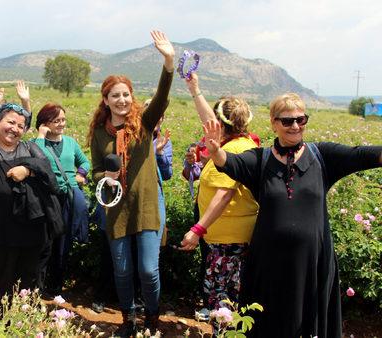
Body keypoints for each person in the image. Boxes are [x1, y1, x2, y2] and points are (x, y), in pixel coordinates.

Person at [202, 93, 382, 337]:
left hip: (313, 265)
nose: (295, 126)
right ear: (274, 123)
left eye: (301, 119)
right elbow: (229, 163)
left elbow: (364, 155)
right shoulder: (260, 160)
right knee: (269, 325)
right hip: (269, 267)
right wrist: (215, 150)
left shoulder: (322, 156)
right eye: (287, 121)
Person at [87, 30, 175, 335]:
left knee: (148, 270)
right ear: (106, 100)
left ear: (131, 97)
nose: (122, 99)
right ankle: (128, 320)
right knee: (122, 271)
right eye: (115, 95)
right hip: (116, 207)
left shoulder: (144, 124)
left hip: (147, 204)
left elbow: (162, 98)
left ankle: (152, 316)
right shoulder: (99, 133)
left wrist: (168, 61)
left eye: (126, 94)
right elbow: (96, 170)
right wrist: (105, 177)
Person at [0, 77, 62, 300]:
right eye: (10, 122)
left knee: (27, 288)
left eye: (20, 126)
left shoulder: (29, 150)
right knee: (3, 286)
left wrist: (28, 170)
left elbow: (50, 178)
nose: (15, 129)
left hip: (31, 233)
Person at [178, 94, 259, 317]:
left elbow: (224, 195)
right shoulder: (238, 144)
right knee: (230, 298)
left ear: (222, 124)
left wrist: (197, 230)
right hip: (228, 240)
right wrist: (194, 89)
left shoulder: (234, 150)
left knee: (223, 301)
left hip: (228, 243)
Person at [33, 102, 91, 295]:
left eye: (63, 120)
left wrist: (80, 174)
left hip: (67, 197)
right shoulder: (37, 143)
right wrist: (41, 136)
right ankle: (38, 287)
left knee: (63, 243)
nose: (60, 124)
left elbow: (84, 161)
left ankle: (55, 286)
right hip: (47, 198)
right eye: (55, 120)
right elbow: (37, 159)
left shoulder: (70, 142)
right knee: (45, 243)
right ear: (44, 123)